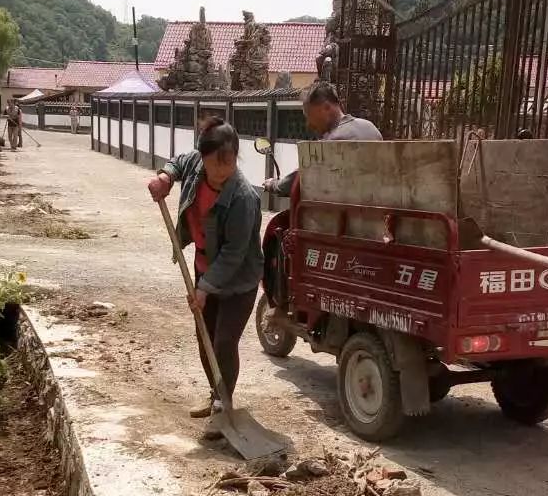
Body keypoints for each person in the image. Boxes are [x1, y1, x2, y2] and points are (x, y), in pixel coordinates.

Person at [147, 117, 263, 435]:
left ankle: (225, 407)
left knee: (224, 342)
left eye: (228, 165)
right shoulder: (198, 164)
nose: (221, 173)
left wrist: (206, 288)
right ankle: (216, 396)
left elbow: (234, 254)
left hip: (238, 281)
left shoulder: (243, 197)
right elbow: (179, 162)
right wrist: (165, 178)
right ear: (204, 157)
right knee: (204, 337)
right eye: (215, 166)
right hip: (204, 269)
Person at [262, 80, 382, 198]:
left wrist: (274, 185)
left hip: (339, 213)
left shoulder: (331, 142)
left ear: (326, 107)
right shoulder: (371, 127)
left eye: (309, 115)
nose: (308, 123)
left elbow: (300, 178)